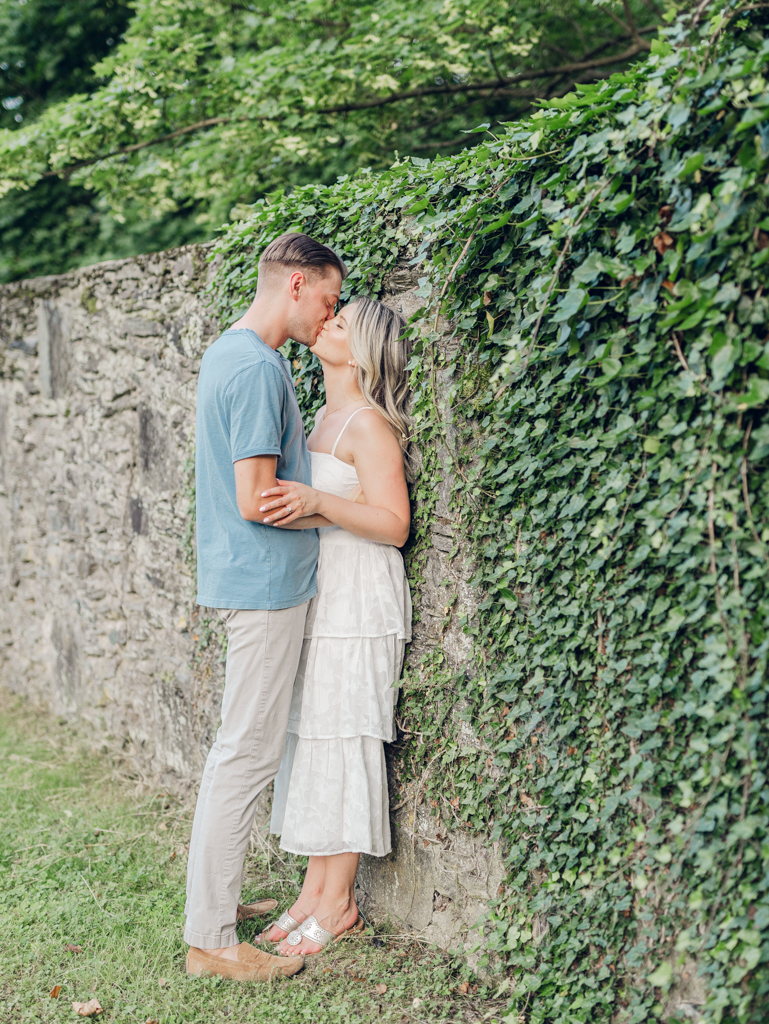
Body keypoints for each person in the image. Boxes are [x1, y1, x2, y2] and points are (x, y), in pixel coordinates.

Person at [184, 232, 347, 982]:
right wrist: (337, 511)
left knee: (243, 750)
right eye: (327, 298)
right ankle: (212, 940)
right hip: (263, 584)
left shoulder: (231, 352)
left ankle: (213, 906)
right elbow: (256, 498)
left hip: (250, 580)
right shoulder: (254, 367)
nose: (329, 313)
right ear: (296, 284)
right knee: (243, 755)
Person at [255, 296, 413, 956]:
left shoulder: (369, 425)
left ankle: (339, 901)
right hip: (325, 589)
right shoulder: (322, 415)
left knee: (344, 735)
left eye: (341, 323)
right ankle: (311, 891)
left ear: (362, 352)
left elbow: (394, 524)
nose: (326, 323)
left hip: (361, 597)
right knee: (314, 735)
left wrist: (318, 500)